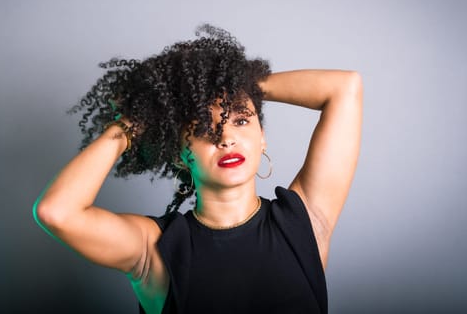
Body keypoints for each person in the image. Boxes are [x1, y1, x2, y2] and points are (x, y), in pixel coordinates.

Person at [33, 24, 362, 314]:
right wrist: (130, 125)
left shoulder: (304, 223)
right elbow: (56, 212)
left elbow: (344, 88)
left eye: (241, 119)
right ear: (180, 155)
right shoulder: (154, 249)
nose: (226, 138)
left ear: (262, 138)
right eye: (204, 128)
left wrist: (238, 83)